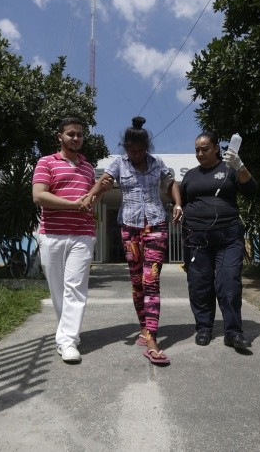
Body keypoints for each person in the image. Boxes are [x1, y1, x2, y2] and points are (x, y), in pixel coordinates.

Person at [85, 116, 182, 365]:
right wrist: (91, 197)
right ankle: (143, 326)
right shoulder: (119, 163)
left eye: (140, 150)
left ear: (147, 148)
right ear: (126, 148)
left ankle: (152, 340)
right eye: (132, 150)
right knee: (137, 283)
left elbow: (171, 183)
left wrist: (178, 204)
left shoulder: (157, 162)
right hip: (129, 229)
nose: (136, 155)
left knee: (151, 280)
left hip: (156, 225)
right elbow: (102, 183)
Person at [32, 117, 104, 363]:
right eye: (71, 134)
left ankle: (68, 341)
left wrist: (99, 192)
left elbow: (88, 201)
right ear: (60, 137)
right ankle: (67, 334)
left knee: (75, 287)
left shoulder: (88, 167)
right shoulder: (46, 162)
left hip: (83, 234)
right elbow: (39, 196)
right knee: (58, 289)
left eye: (80, 134)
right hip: (52, 233)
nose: (76, 138)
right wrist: (74, 205)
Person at [180, 132, 257, 350]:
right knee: (199, 285)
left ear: (216, 148)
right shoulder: (190, 176)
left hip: (228, 237)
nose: (200, 153)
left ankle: (233, 333)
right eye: (197, 149)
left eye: (204, 148)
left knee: (228, 283)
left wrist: (240, 166)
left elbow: (251, 190)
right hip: (196, 238)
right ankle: (204, 328)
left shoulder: (230, 169)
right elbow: (182, 201)